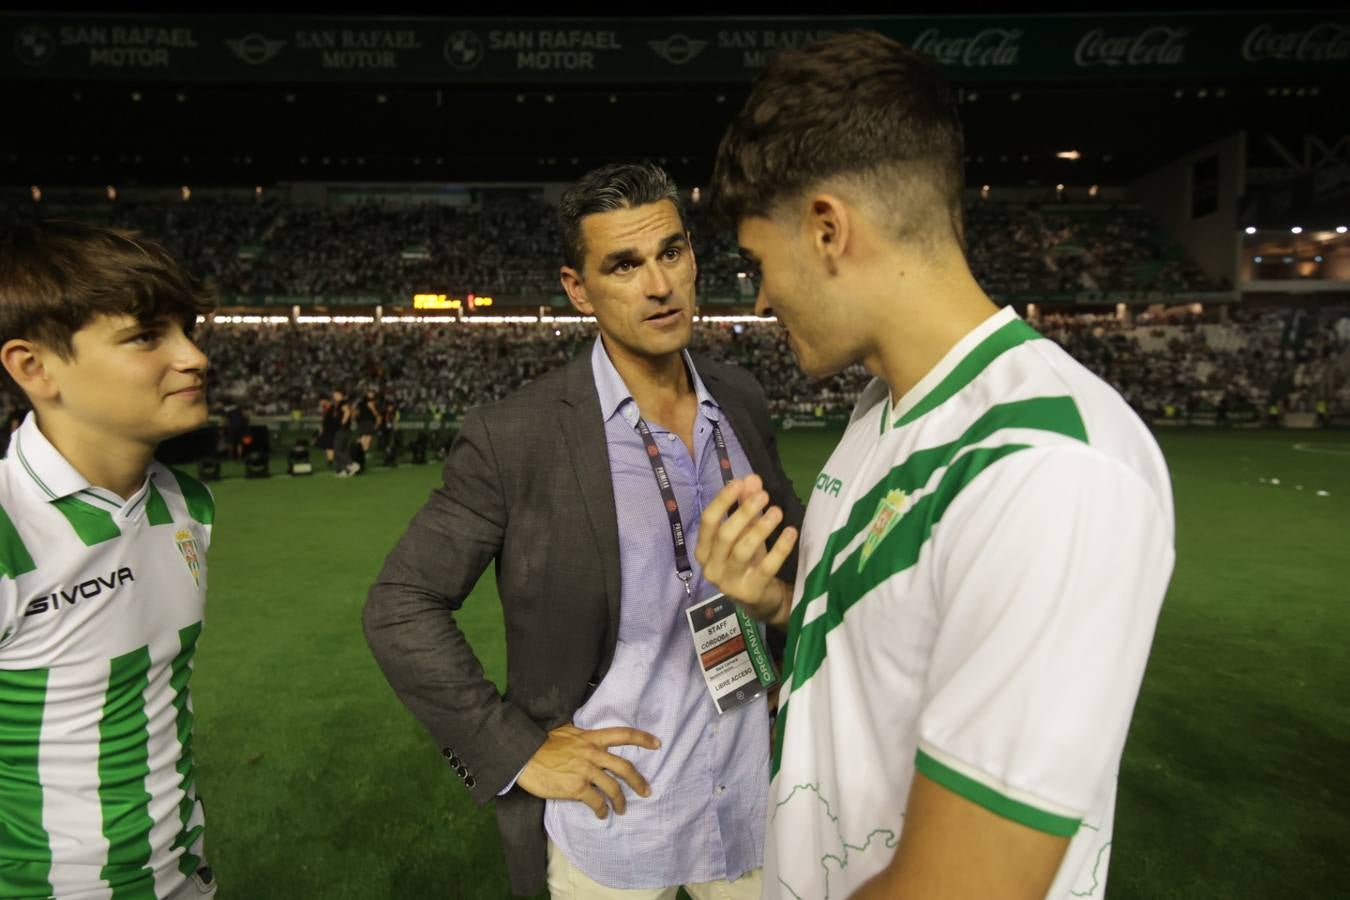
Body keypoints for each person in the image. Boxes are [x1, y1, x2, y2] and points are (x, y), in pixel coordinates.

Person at [694, 32, 1176, 900]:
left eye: (760, 262)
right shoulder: (881, 409)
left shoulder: (1051, 465)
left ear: (828, 228)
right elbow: (892, 649)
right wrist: (781, 605)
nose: (760, 298)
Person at [363, 162, 804, 899]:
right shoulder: (518, 436)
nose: (658, 285)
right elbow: (400, 604)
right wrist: (515, 749)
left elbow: (799, 559)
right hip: (616, 820)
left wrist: (781, 658)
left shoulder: (740, 399)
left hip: (752, 801)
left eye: (671, 252)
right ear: (578, 288)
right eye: (624, 265)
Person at [0, 220, 220, 898]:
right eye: (147, 335)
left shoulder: (187, 505)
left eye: (188, 328)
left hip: (187, 877)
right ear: (33, 367)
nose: (195, 357)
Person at [317, 389, 345, 468]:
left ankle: (332, 461)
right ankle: (330, 461)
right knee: (328, 446)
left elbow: (331, 418)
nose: (320, 403)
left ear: (323, 400)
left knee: (331, 445)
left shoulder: (331, 406)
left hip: (331, 429)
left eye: (321, 401)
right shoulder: (326, 407)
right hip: (328, 429)